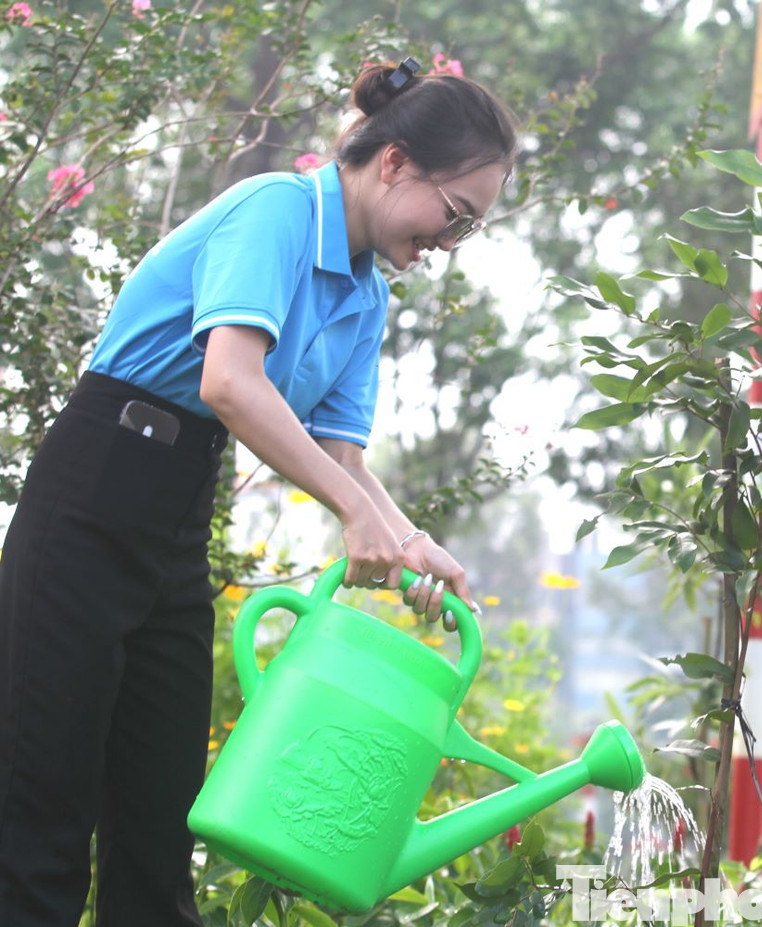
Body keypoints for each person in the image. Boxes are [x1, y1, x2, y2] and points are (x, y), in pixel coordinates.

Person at [0, 57, 517, 925]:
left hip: (174, 515)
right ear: (393, 162)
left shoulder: (363, 293)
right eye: (453, 215)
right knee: (43, 805)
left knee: (162, 815)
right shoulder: (278, 208)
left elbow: (342, 458)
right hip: (93, 490)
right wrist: (356, 515)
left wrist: (408, 536)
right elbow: (231, 383)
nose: (447, 244)